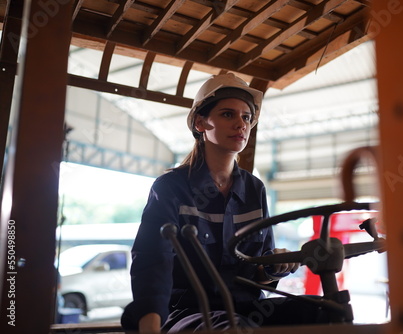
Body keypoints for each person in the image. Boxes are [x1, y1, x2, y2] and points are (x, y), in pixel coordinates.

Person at [121, 73, 323, 333]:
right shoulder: (171, 188)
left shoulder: (254, 190)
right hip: (186, 314)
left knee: (324, 310)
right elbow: (153, 262)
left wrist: (275, 268)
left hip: (245, 309)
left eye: (246, 117)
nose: (241, 124)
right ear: (200, 122)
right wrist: (151, 326)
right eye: (228, 114)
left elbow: (259, 271)